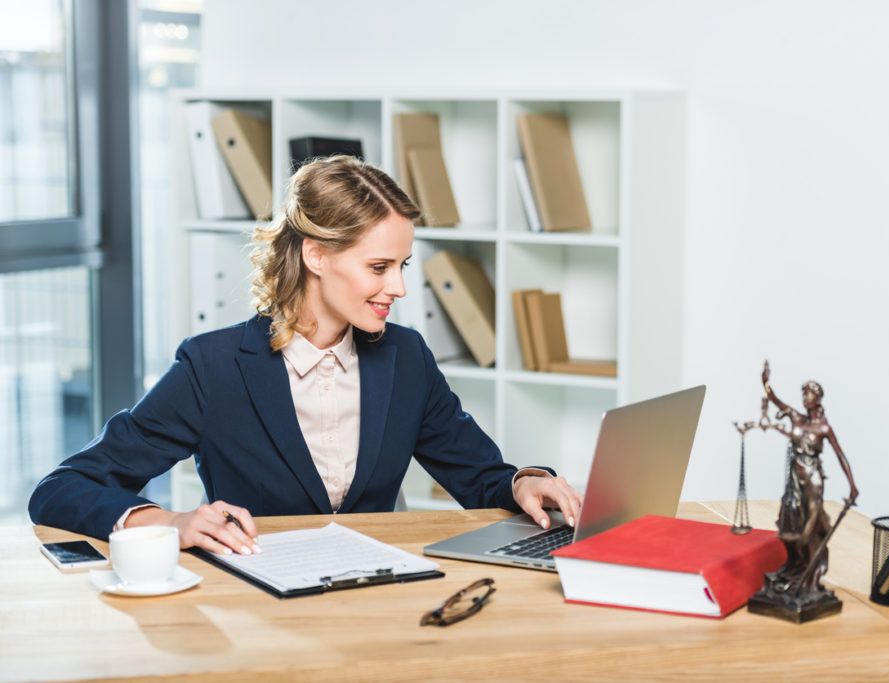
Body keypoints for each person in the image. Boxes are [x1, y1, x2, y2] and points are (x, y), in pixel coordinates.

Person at [29, 155, 583, 556]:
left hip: (374, 600)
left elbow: (480, 475)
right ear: (315, 254)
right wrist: (168, 520)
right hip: (255, 603)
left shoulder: (405, 357)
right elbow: (62, 489)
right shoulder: (214, 366)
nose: (399, 288)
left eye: (402, 266)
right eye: (378, 267)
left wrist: (522, 483)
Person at [759, 361, 858, 595]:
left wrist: (852, 486)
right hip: (794, 480)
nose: (804, 397)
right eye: (803, 393)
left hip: (812, 479)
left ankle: (808, 573)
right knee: (787, 525)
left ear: (818, 398)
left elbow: (841, 456)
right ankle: (793, 566)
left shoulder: (823, 428)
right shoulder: (796, 418)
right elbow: (774, 399)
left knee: (808, 529)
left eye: (809, 393)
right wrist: (765, 383)